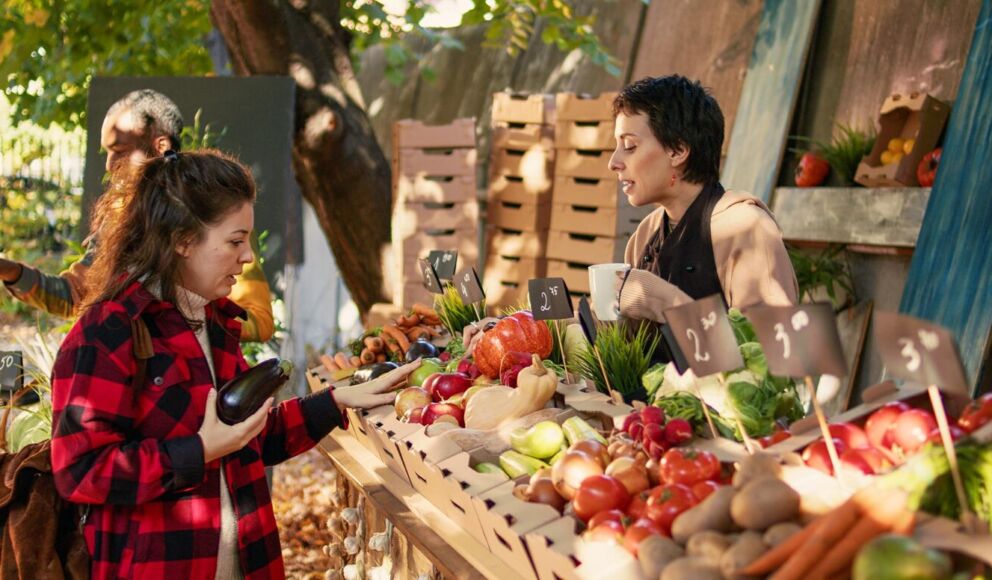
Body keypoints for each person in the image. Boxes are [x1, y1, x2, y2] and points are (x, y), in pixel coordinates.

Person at [49, 150, 418, 578]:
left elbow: (248, 438)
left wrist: (334, 401)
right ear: (183, 240)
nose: (248, 257)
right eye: (235, 241)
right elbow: (81, 472)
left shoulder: (216, 321)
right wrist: (199, 450)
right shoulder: (110, 330)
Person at [0, 89, 275, 342]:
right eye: (106, 152)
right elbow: (78, 295)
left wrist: (182, 322)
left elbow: (258, 320)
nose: (109, 164)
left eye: (119, 150)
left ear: (161, 145)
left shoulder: (213, 211)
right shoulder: (120, 218)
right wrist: (11, 271)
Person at [609, 75, 798, 326]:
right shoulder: (647, 232)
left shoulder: (747, 229)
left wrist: (664, 302)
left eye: (630, 145)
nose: (613, 162)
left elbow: (777, 354)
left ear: (677, 151)